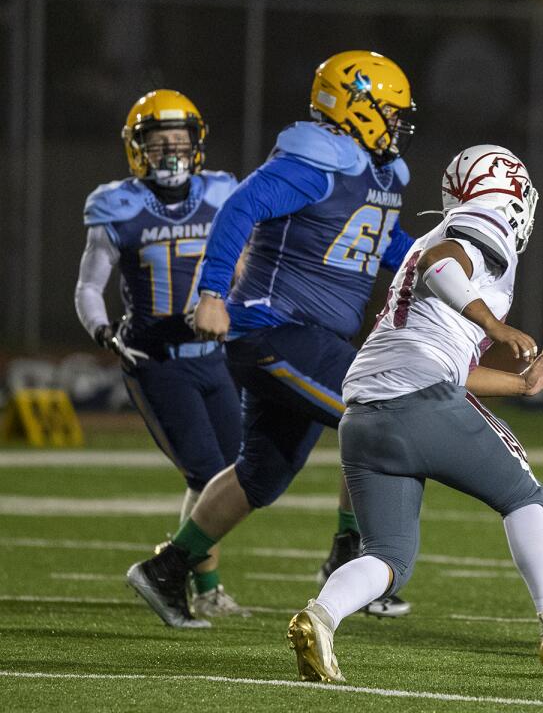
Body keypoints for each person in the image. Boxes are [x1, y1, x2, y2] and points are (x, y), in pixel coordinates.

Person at [287, 144, 543, 683]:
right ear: (510, 190)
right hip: (418, 398)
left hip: (363, 417)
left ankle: (319, 617)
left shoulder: (437, 244)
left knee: (389, 558)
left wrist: (519, 384)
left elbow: (448, 364)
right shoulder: (478, 222)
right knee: (523, 495)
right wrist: (496, 327)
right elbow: (442, 262)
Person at [126, 51, 417, 628]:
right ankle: (353, 556)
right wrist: (212, 293)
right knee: (386, 417)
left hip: (307, 339)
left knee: (260, 476)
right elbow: (240, 208)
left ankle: (167, 568)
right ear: (353, 106)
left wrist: (449, 270)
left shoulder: (373, 173)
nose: (396, 124)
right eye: (387, 111)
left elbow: (388, 246)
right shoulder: (317, 159)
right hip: (276, 329)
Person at [77, 90, 246, 619]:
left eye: (180, 140)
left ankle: (201, 586)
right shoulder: (117, 205)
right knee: (205, 472)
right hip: (158, 359)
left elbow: (246, 261)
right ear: (137, 148)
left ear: (197, 143)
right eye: (158, 142)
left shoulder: (222, 193)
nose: (171, 151)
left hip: (216, 356)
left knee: (236, 473)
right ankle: (189, 583)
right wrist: (105, 334)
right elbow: (88, 287)